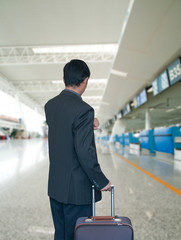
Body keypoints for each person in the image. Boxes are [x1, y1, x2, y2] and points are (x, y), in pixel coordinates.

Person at [44, 59, 111, 240]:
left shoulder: (50, 106)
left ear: (64, 78)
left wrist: (90, 121)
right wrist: (101, 180)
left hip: (56, 187)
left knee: (61, 234)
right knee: (77, 235)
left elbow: (65, 125)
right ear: (85, 80)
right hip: (77, 192)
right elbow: (84, 151)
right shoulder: (84, 110)